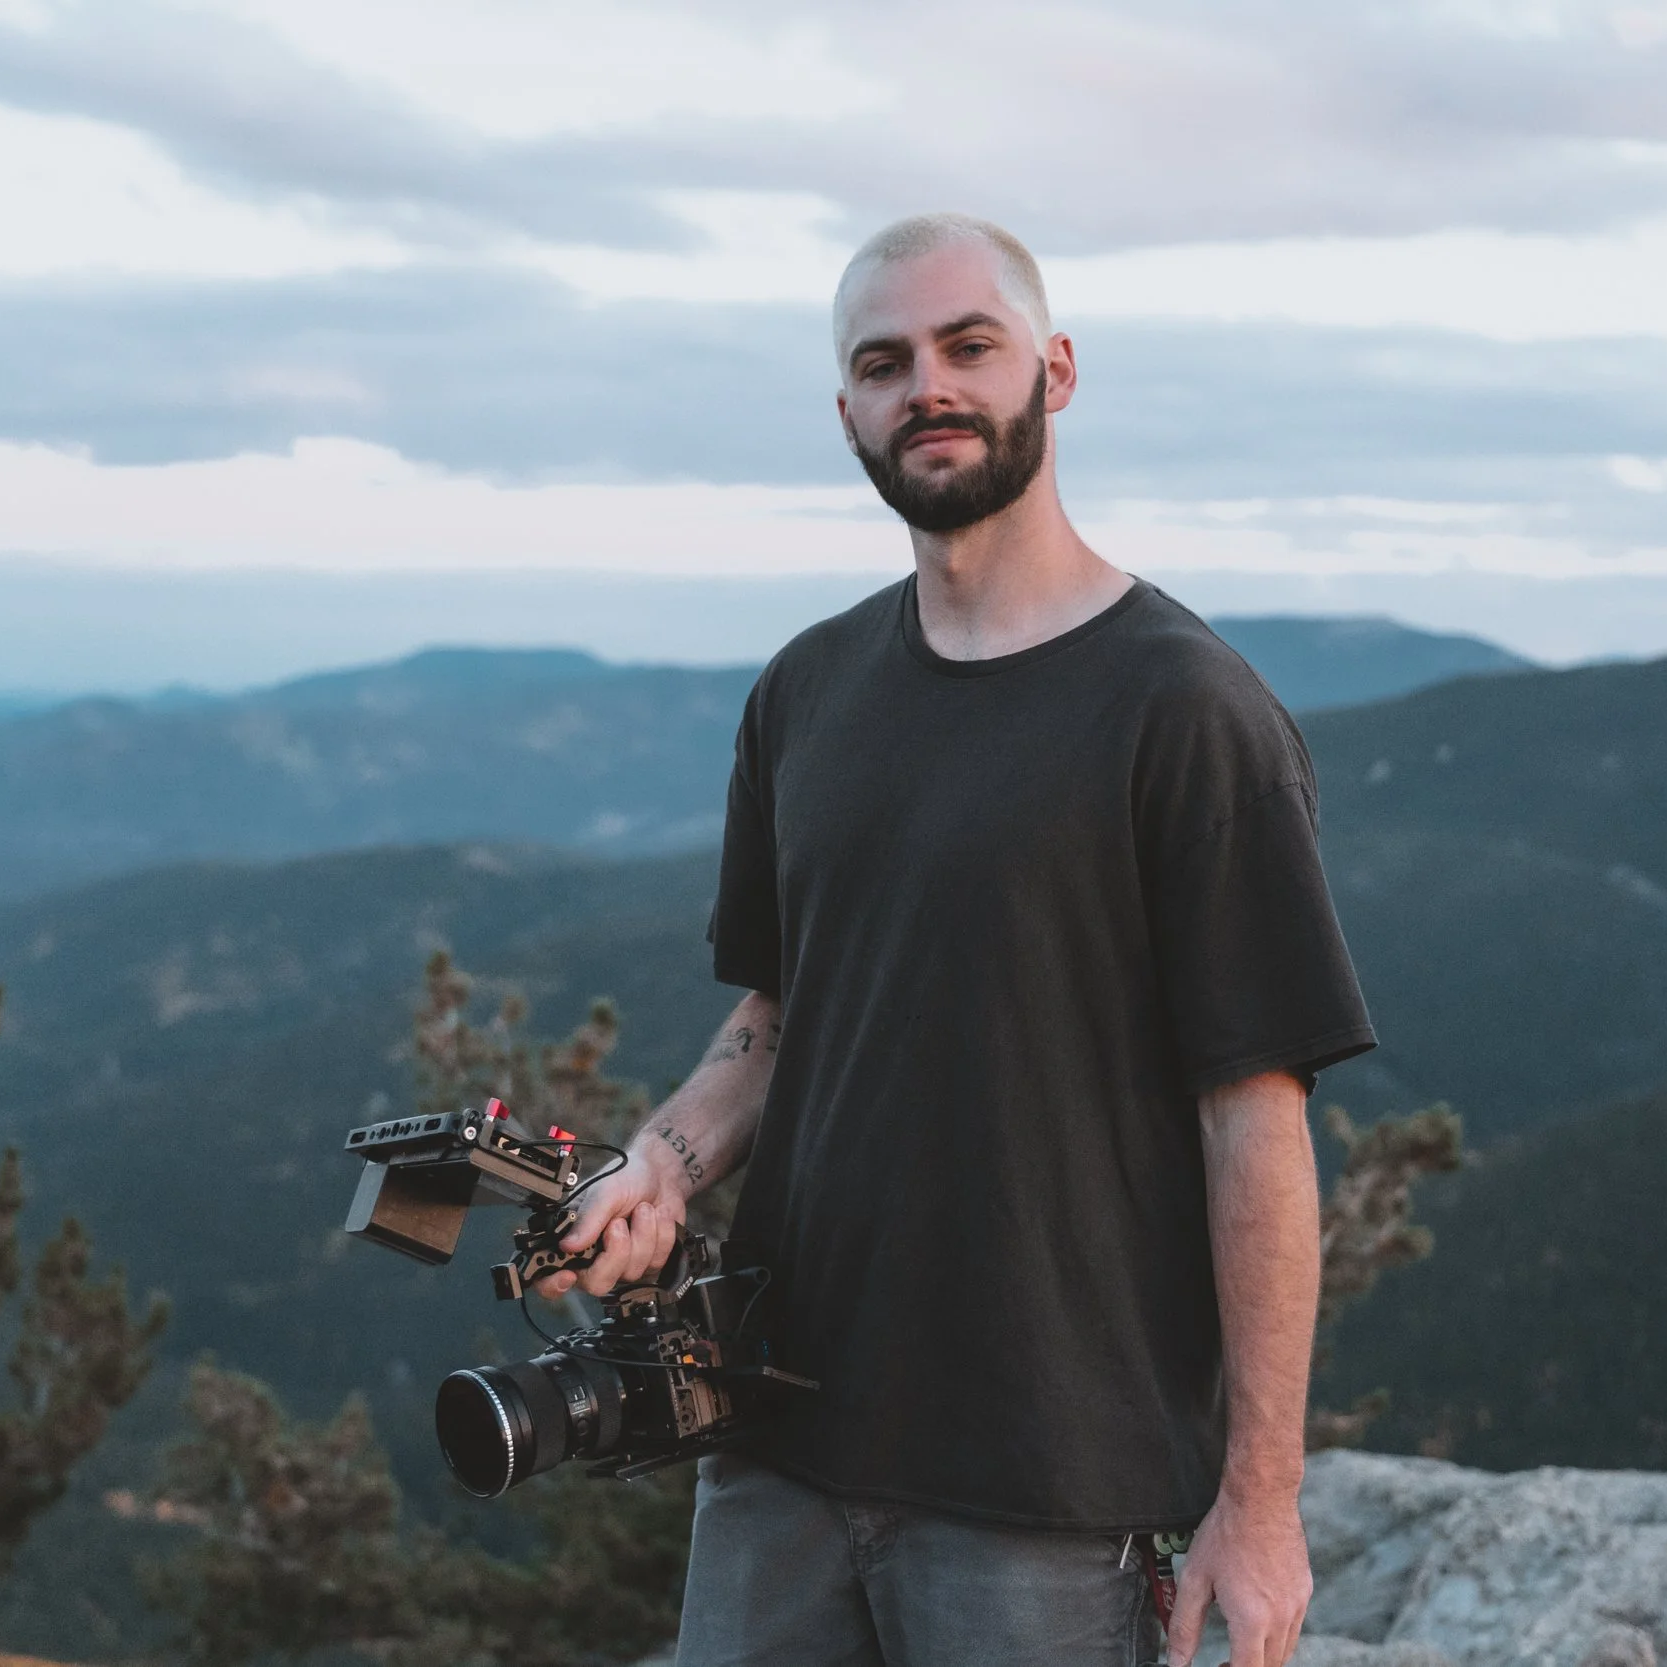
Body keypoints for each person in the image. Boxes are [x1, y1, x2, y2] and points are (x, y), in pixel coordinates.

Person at [533, 212, 1374, 1667]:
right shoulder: (806, 690)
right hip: (777, 1447)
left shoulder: (1185, 711)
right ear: (846, 409)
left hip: (1045, 1493)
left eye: (967, 346)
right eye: (883, 361)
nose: (927, 383)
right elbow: (778, 1020)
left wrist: (1262, 1498)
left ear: (1052, 369)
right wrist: (657, 1168)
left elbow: (1259, 1126)